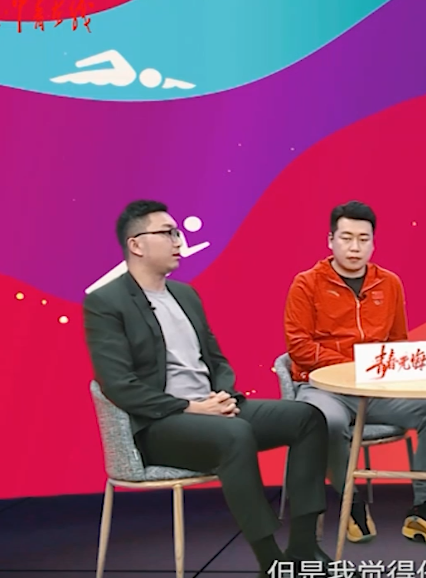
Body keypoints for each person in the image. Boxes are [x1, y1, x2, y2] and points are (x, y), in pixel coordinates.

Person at [83, 200, 333, 577]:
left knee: (308, 417)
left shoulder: (186, 295)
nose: (178, 241)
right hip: (161, 425)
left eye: (177, 232)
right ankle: (271, 560)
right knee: (235, 434)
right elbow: (119, 385)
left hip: (214, 409)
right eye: (168, 233)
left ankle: (303, 545)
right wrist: (191, 407)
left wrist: (223, 395)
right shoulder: (105, 303)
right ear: (136, 244)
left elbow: (217, 360)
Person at [282, 201, 426, 547]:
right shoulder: (306, 284)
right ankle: (352, 503)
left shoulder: (389, 283)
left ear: (373, 243)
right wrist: (355, 364)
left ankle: (423, 510)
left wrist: (397, 368)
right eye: (346, 238)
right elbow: (299, 347)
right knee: (329, 422)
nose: (355, 247)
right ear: (330, 240)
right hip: (323, 388)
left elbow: (398, 342)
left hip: (376, 389)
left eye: (363, 239)